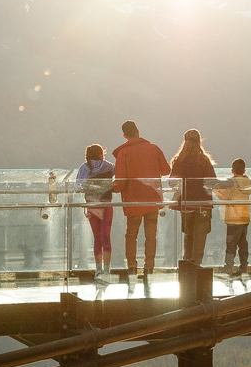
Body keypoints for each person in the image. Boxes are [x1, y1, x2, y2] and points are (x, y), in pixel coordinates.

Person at [111, 120, 169, 280]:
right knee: (151, 235)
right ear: (138, 131)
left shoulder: (123, 153)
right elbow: (166, 170)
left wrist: (111, 188)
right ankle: (149, 267)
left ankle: (131, 267)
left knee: (131, 235)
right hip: (152, 200)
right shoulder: (153, 148)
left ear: (124, 135)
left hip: (133, 201)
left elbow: (120, 182)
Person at [168, 128, 218, 266]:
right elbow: (212, 181)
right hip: (203, 204)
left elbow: (172, 182)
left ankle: (186, 265)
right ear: (199, 141)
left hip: (186, 204)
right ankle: (196, 266)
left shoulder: (179, 161)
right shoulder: (204, 160)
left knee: (188, 234)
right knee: (200, 237)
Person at [73, 142, 116, 281]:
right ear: (101, 154)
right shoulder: (109, 166)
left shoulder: (84, 167)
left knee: (97, 238)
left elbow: (78, 186)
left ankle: (98, 270)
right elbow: (118, 180)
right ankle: (107, 270)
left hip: (92, 205)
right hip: (106, 204)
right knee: (106, 237)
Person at [213, 157, 251, 275]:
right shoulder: (248, 182)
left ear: (232, 170)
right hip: (244, 217)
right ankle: (243, 267)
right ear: (244, 170)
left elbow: (224, 196)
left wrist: (215, 190)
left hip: (233, 218)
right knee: (243, 243)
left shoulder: (230, 183)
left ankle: (229, 267)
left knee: (230, 244)